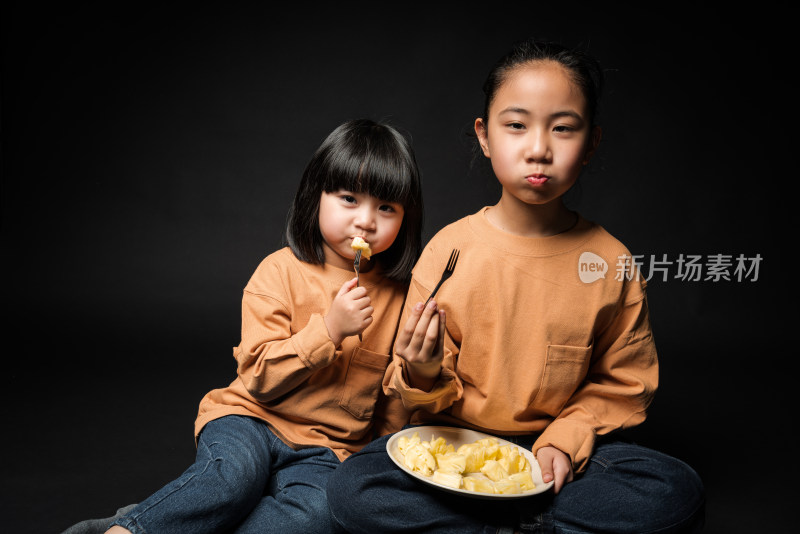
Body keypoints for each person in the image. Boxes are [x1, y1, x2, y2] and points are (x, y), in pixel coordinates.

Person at [325, 39, 705, 534]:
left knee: (675, 490)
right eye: (517, 125)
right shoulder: (448, 252)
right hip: (457, 446)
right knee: (353, 489)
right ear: (485, 136)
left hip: (556, 457)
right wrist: (420, 371)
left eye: (564, 128)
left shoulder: (610, 262)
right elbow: (411, 392)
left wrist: (564, 440)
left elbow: (624, 383)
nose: (539, 148)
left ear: (591, 142)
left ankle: (499, 521)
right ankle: (524, 524)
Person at [61, 118, 423, 534]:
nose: (365, 221)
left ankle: (163, 523)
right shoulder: (278, 272)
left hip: (328, 449)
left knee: (320, 515)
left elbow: (390, 410)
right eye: (348, 198)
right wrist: (329, 330)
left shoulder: (401, 298)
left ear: (405, 218)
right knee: (230, 482)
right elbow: (260, 379)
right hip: (250, 418)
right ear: (316, 196)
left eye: (386, 207)